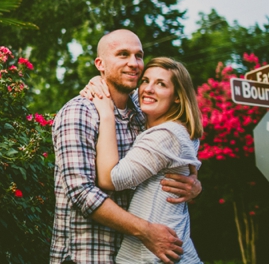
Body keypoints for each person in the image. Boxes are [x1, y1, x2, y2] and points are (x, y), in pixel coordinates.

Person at [50, 30, 201, 264]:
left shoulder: (143, 115)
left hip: (137, 255)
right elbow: (83, 194)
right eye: (123, 55)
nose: (133, 63)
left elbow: (173, 156)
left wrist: (194, 185)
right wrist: (146, 231)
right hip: (88, 255)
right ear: (100, 63)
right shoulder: (79, 113)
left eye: (138, 56)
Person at [92, 57, 203, 263]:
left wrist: (106, 114)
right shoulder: (175, 130)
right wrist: (100, 80)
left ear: (177, 97)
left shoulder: (166, 135)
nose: (149, 89)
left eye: (161, 84)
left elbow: (111, 179)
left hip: (156, 255)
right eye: (145, 80)